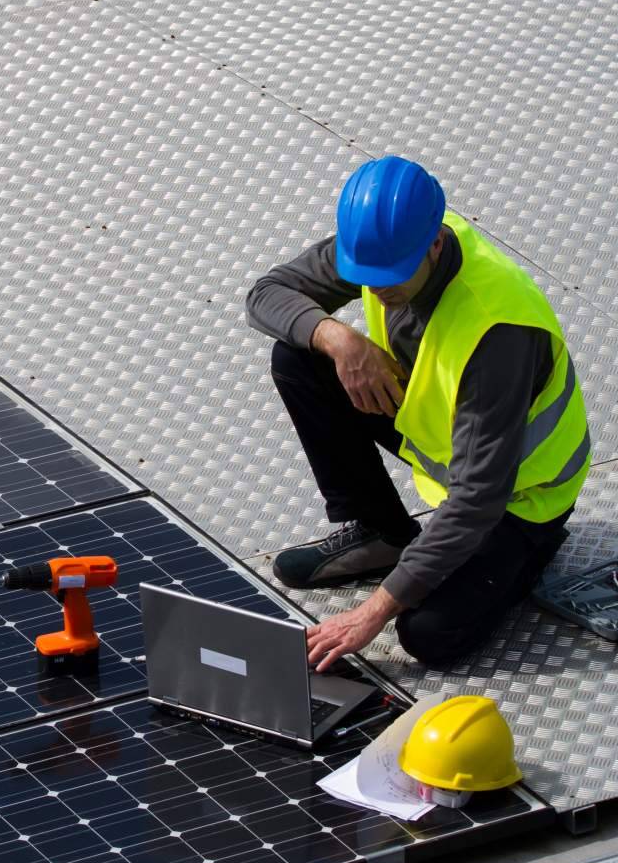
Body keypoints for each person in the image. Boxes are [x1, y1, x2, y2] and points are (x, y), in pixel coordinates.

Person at [246, 156, 589, 671]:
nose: (378, 291)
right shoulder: (384, 242)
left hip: (521, 496)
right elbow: (265, 296)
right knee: (299, 355)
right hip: (443, 440)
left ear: (433, 243)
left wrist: (375, 609)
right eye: (367, 275)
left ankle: (526, 557)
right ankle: (380, 532)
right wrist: (340, 341)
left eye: (391, 277)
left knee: (428, 634)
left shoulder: (499, 329)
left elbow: (477, 499)